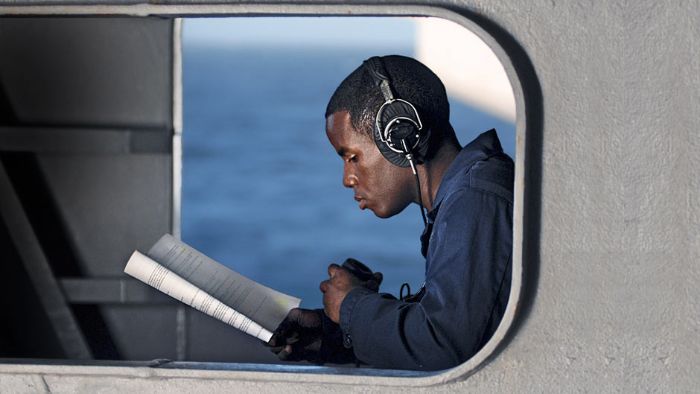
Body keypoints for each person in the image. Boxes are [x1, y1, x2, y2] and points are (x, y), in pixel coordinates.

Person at [267, 55, 513, 371]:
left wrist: (351, 305)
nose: (347, 179)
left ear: (401, 137)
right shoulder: (464, 198)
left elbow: (443, 344)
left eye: (352, 157)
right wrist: (332, 334)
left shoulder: (476, 200)